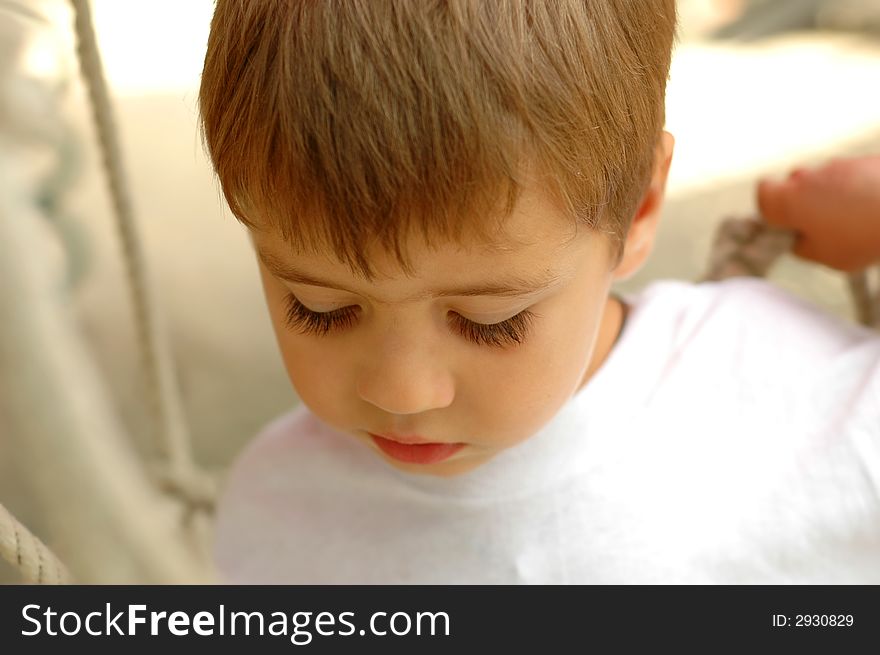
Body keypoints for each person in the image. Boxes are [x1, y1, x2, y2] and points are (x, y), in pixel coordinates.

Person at [198, 0, 880, 583]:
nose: (402, 392)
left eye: (489, 321)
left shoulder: (786, 401)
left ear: (639, 207)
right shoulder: (275, 503)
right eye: (320, 308)